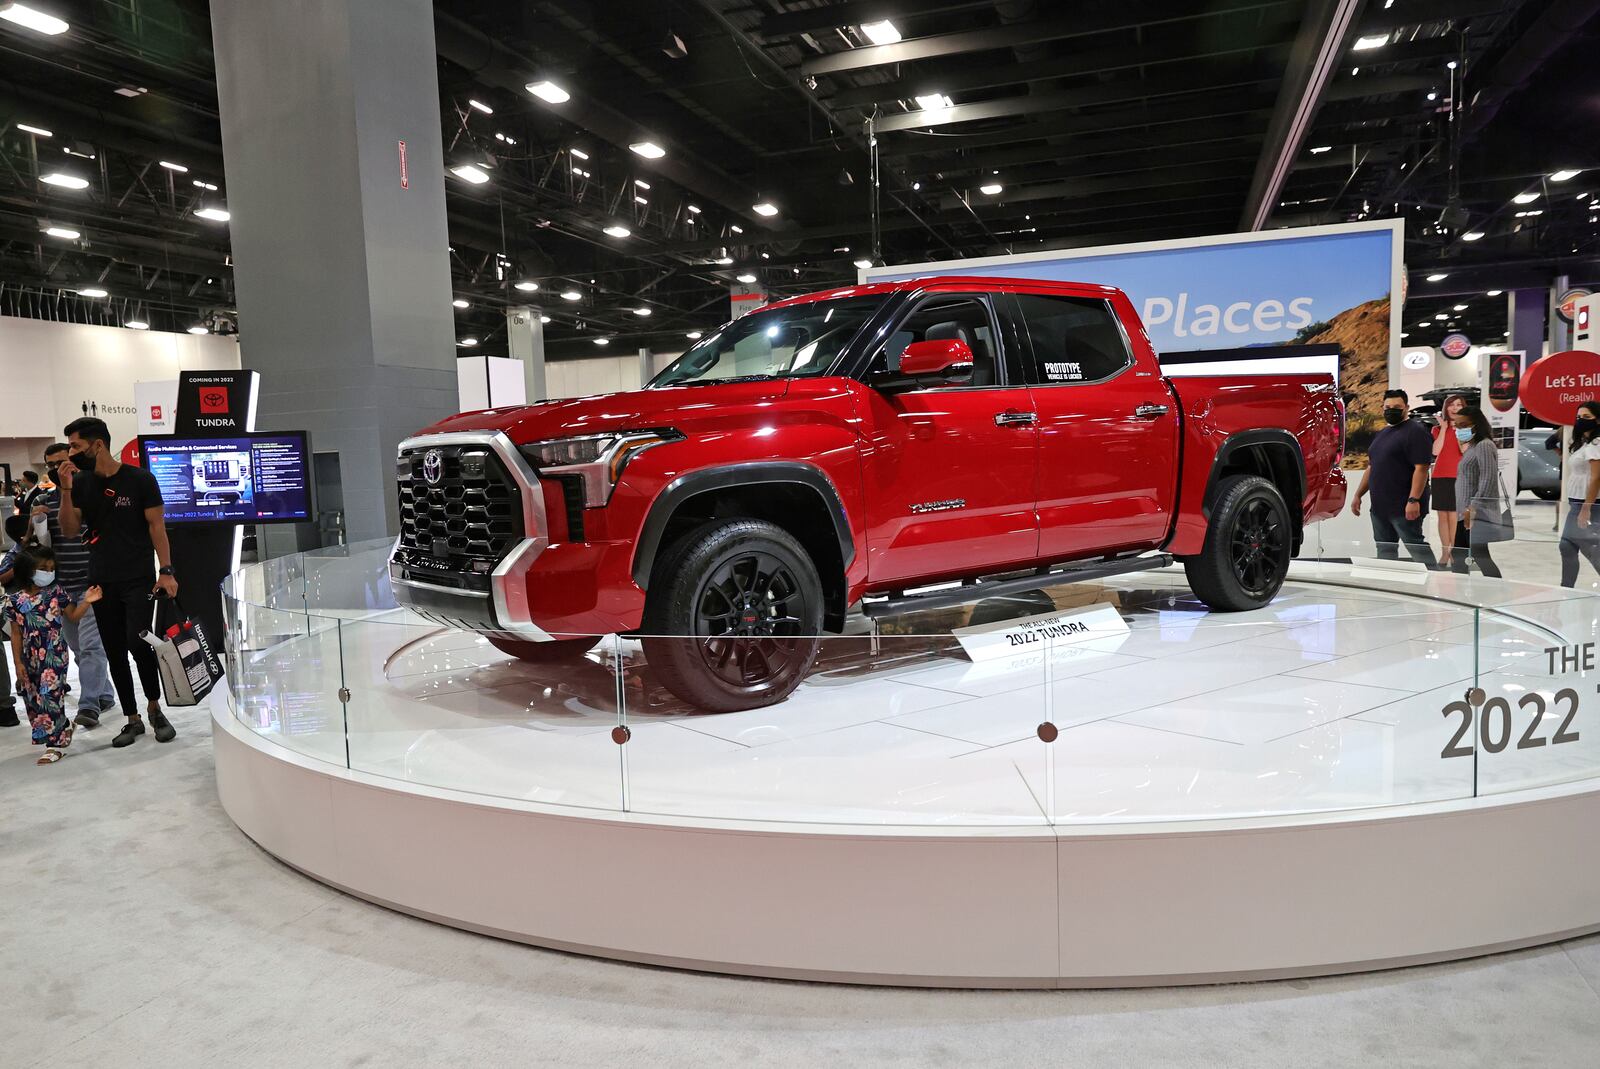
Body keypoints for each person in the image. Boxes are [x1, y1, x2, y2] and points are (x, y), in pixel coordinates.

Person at [57, 416, 180, 747]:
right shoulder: (80, 483)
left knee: (138, 644)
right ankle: (132, 718)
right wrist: (66, 488)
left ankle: (155, 709)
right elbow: (69, 530)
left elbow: (157, 526)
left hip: (138, 578)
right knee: (113, 651)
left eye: (76, 446)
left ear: (98, 445)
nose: (71, 452)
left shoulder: (140, 479)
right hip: (100, 582)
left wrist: (166, 571)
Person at [38, 442, 117, 726]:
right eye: (50, 465)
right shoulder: (43, 502)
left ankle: (90, 705)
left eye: (62, 462)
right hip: (61, 586)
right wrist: (36, 525)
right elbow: (44, 546)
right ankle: (105, 694)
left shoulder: (91, 494)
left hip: (91, 583)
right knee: (78, 649)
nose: (58, 469)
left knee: (93, 646)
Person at [8, 545, 100, 764]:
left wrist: (87, 600)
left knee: (50, 697)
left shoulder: (57, 593)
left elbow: (74, 616)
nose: (48, 572)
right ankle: (63, 726)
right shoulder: (14, 601)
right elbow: (15, 634)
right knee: (34, 700)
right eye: (42, 568)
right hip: (29, 658)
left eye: (51, 568)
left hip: (54, 654)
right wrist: (18, 663)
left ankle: (55, 744)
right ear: (27, 570)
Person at [1351, 389, 1439, 567]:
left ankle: (1434, 583)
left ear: (1406, 407)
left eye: (1397, 407)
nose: (1391, 410)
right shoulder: (1383, 434)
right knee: (1385, 551)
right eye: (1387, 407)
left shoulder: (1416, 432)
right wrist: (1358, 494)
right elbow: (1372, 466)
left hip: (1404, 506)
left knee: (1416, 547)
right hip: (1379, 507)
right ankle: (1388, 584)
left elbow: (1421, 468)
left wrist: (1413, 500)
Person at [1451, 405, 1507, 579]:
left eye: (1463, 425)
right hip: (1465, 513)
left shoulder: (1484, 445)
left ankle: (1498, 592)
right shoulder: (1473, 446)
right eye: (1457, 425)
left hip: (1476, 513)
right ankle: (1462, 594)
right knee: (1461, 555)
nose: (1459, 429)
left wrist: (1473, 507)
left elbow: (1488, 479)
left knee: (1478, 555)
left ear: (1476, 424)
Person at [1559, 400, 1600, 588]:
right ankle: (1566, 589)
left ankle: (1566, 589)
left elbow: (1596, 477)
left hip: (1587, 503)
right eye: (1579, 417)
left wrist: (1586, 507)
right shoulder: (1585, 443)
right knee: (1569, 545)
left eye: (1587, 417)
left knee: (1586, 546)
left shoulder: (1596, 443)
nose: (1581, 420)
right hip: (1577, 501)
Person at [1431, 393, 1468, 565]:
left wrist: (1459, 428)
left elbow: (1464, 450)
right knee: (1442, 516)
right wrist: (1445, 429)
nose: (1454, 408)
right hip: (1439, 475)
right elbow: (1436, 451)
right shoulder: (1437, 429)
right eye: (1451, 405)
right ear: (1446, 408)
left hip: (1458, 476)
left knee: (1453, 515)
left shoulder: (1467, 428)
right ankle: (1445, 552)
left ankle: (1454, 551)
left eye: (1458, 405)